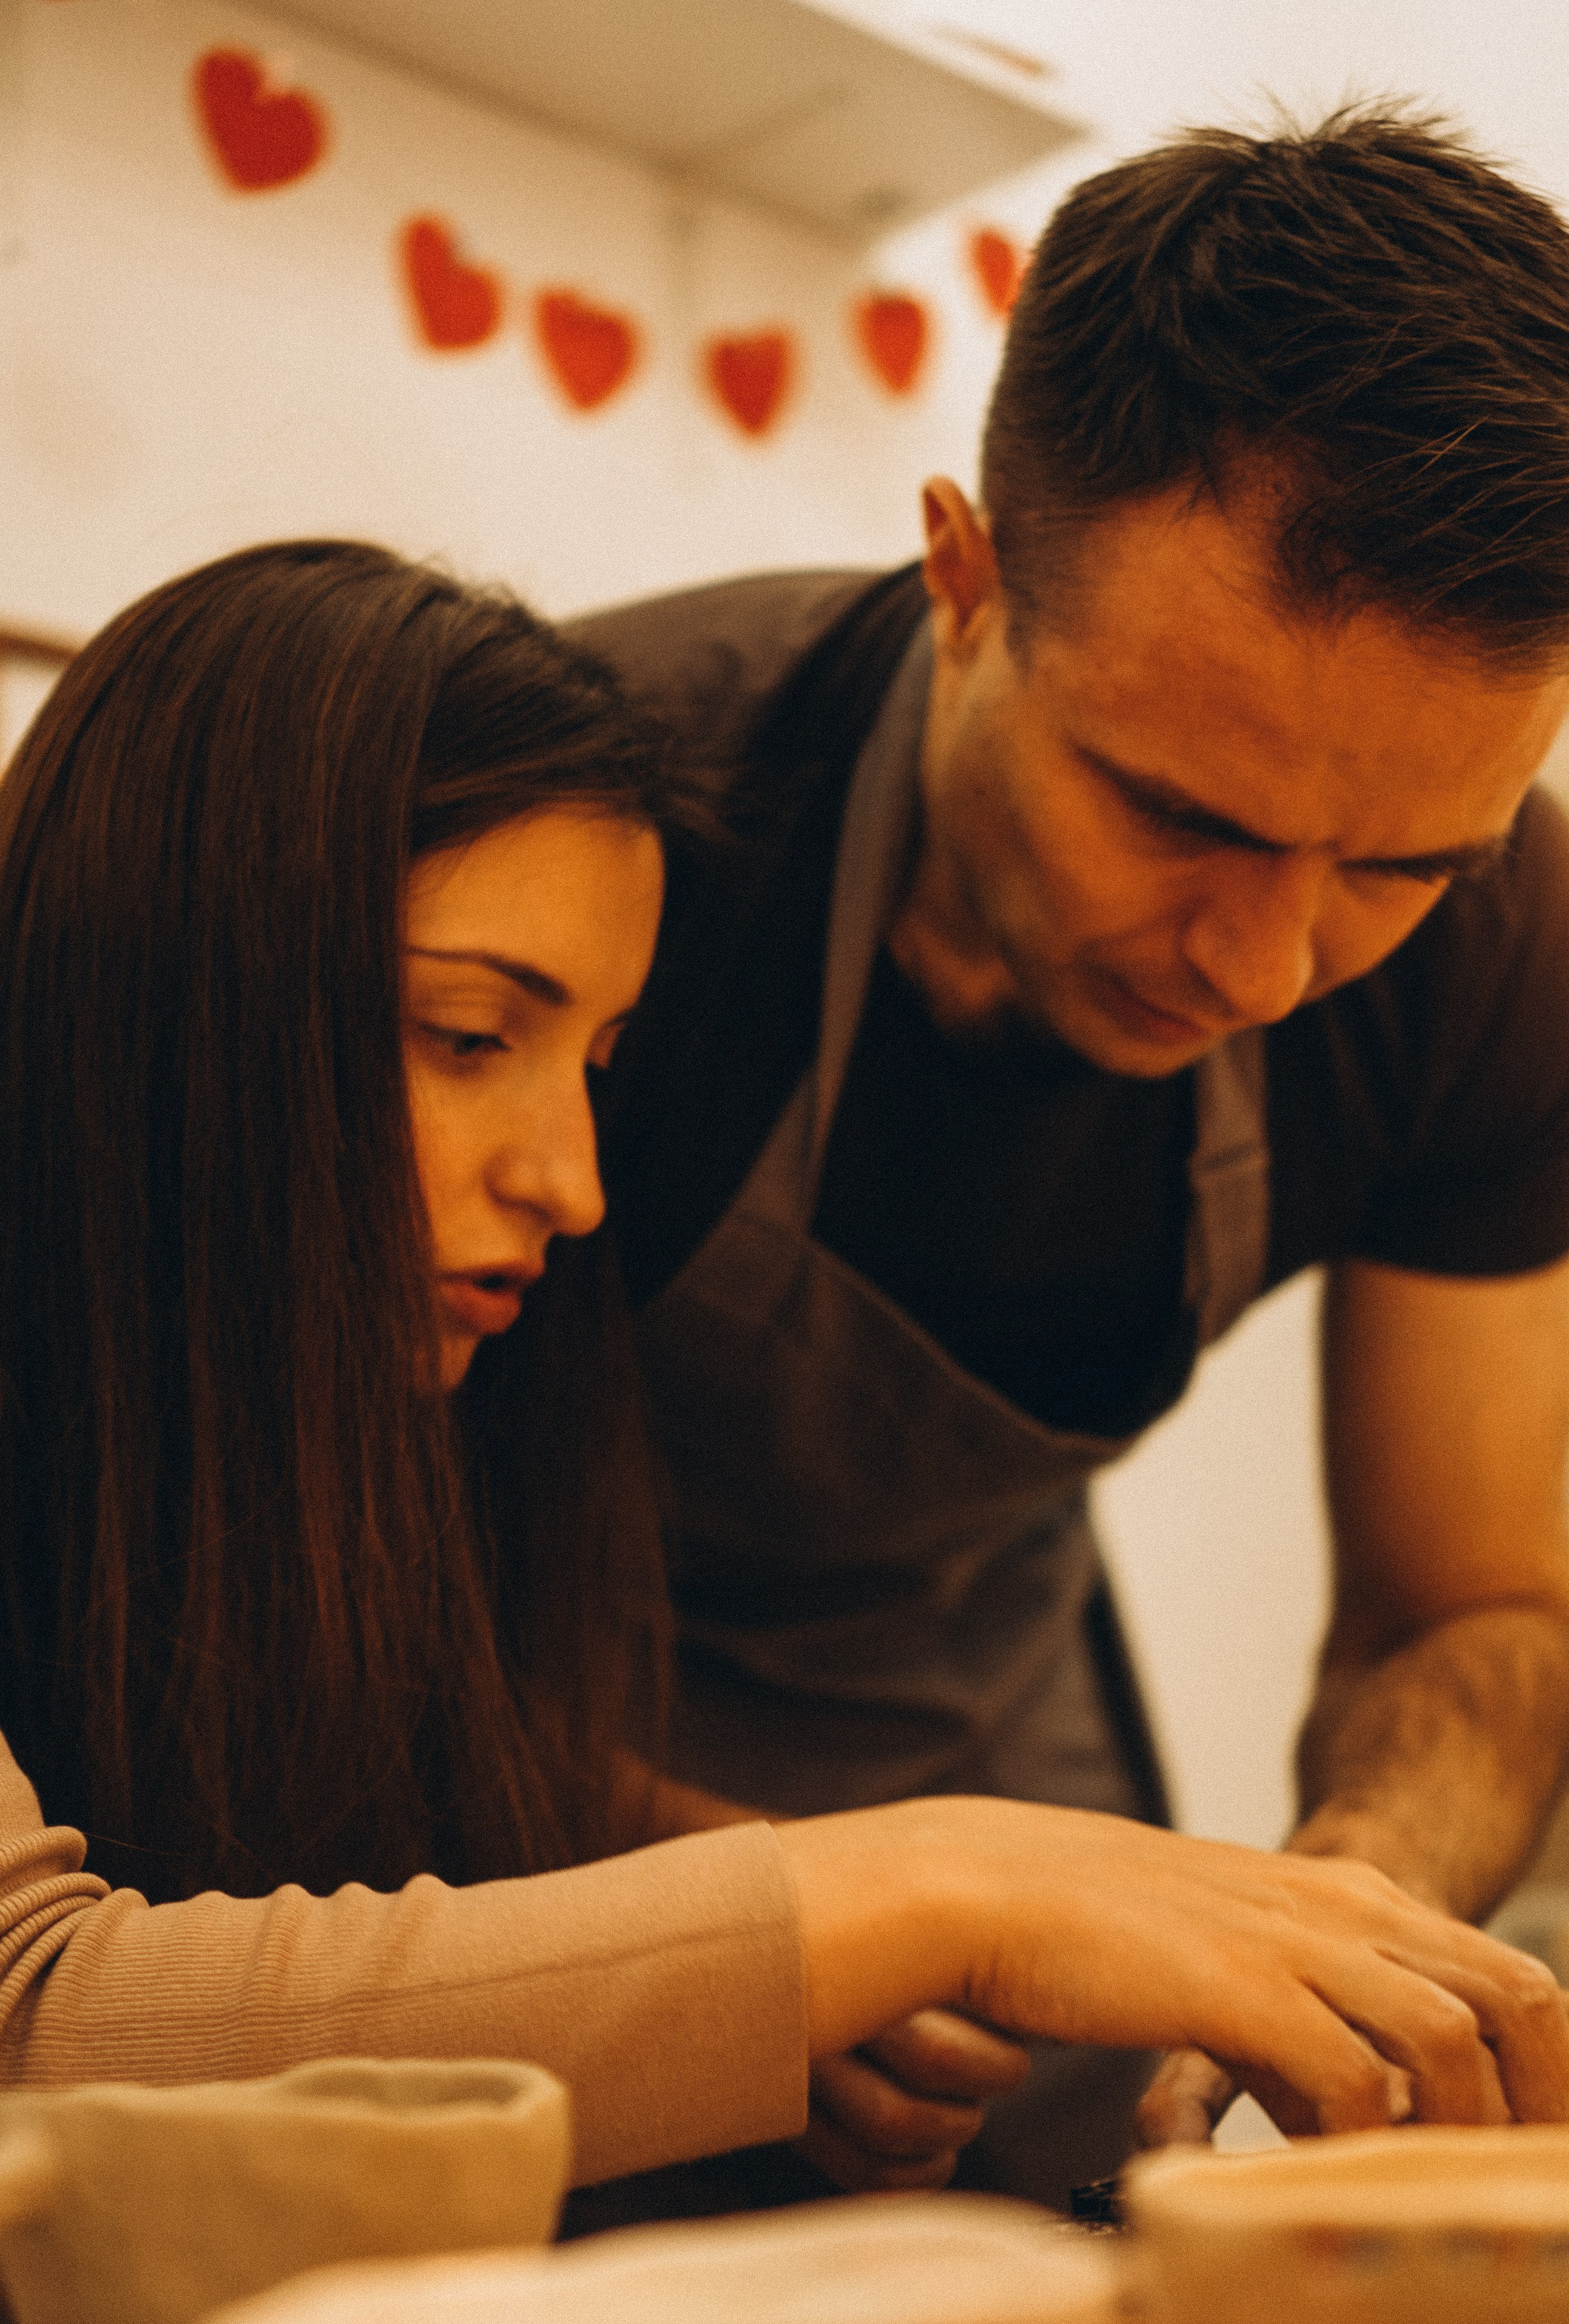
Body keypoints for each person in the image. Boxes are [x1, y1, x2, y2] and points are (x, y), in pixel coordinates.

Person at [1, 538, 1563, 2209]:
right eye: (469, 1036)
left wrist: (739, 1891)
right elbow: (44, 2030)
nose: (577, 1189)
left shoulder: (292, 1477)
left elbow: (378, 1736)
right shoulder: (699, 759)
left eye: (604, 1065)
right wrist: (945, 1880)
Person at [572, 105, 1569, 2204]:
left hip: (986, 1739)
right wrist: (749, 1922)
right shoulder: (598, 819)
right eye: (1182, 814)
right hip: (472, 1774)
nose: (1272, 960)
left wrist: (1354, 1902)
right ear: (965, 578)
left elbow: (1473, 1602)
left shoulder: (1505, 956)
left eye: (1398, 864)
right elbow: (231, 1580)